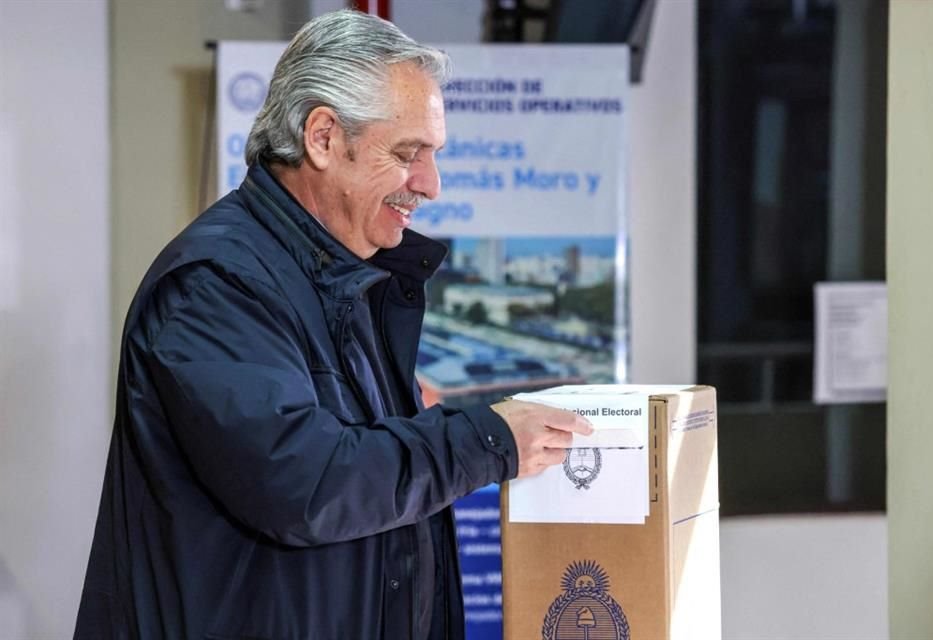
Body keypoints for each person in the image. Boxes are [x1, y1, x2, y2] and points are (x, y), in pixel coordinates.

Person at [75, 10, 591, 640]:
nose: (430, 184)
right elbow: (306, 484)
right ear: (321, 137)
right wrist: (486, 441)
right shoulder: (215, 284)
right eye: (408, 153)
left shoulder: (345, 278)